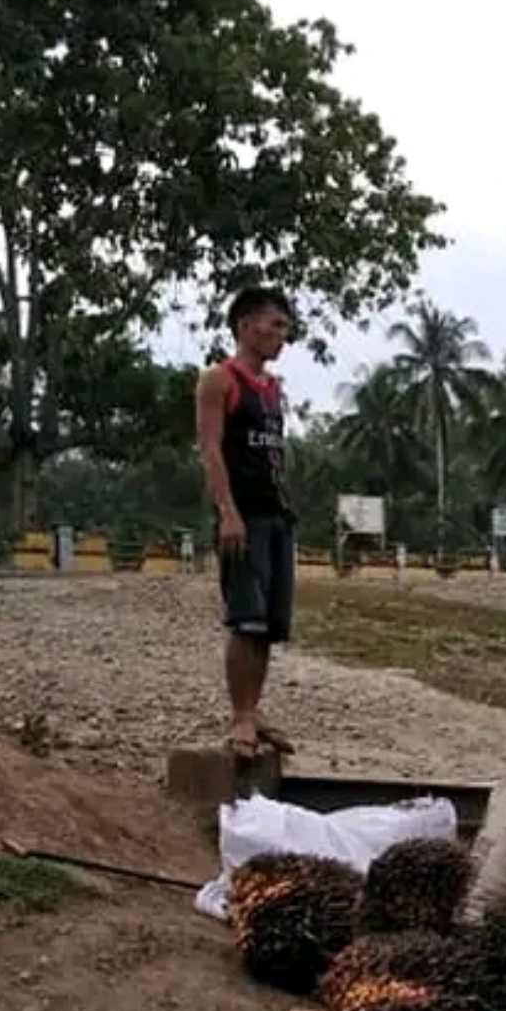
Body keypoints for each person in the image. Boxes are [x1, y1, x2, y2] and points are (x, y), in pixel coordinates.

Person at [195, 281, 296, 760]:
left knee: (270, 624)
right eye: (274, 324)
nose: (282, 334)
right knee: (245, 619)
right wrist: (227, 511)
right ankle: (239, 716)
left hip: (277, 515)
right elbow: (211, 449)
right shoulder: (220, 380)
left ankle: (254, 711)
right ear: (245, 326)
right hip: (245, 516)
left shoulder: (274, 389)